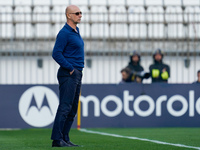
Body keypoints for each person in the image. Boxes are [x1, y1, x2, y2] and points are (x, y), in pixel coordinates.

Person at [51, 5, 84, 147]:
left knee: (72, 108)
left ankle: (64, 137)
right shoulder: (64, 33)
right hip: (69, 73)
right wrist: (70, 68)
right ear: (68, 15)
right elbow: (56, 53)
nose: (80, 15)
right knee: (65, 106)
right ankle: (57, 139)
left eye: (81, 13)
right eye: (77, 13)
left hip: (77, 72)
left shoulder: (76, 31)